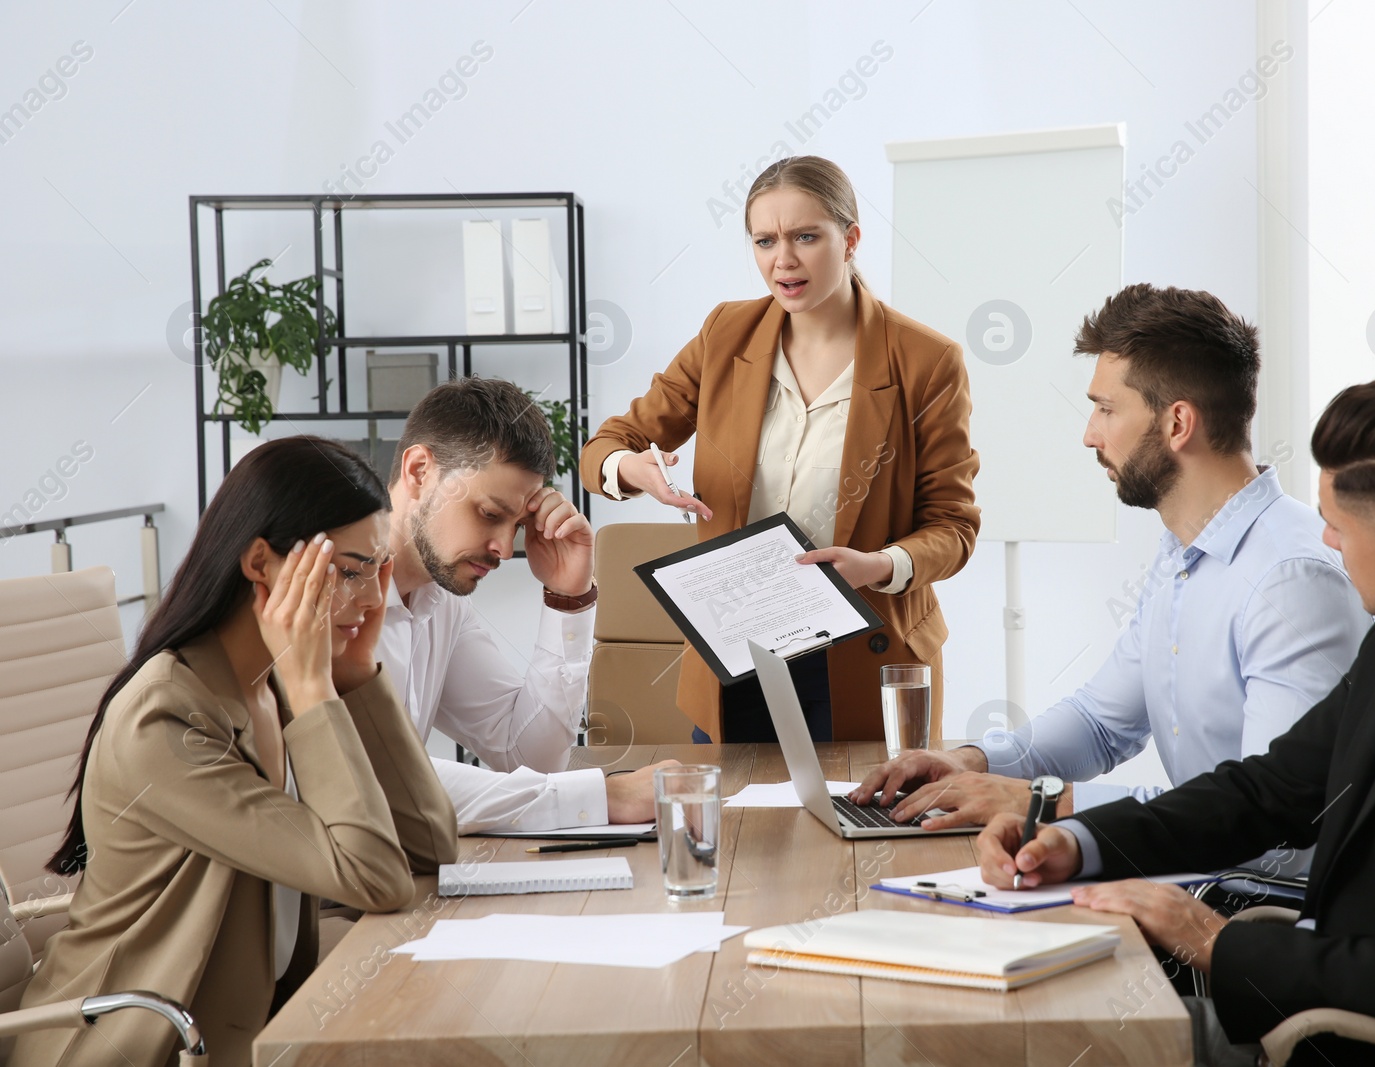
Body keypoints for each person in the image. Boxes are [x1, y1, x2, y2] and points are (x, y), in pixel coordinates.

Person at [978, 374, 1375, 1066]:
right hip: (1320, 1007)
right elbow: (1272, 788)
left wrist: (1215, 940)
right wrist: (1077, 840)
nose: (1325, 541)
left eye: (1337, 523)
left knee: (1040, 1045)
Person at [853, 284, 1369, 848]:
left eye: (1105, 408)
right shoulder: (1184, 551)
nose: (1089, 434)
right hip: (1205, 874)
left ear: (1177, 424)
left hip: (1262, 903)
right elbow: (1101, 723)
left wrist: (1042, 804)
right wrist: (969, 762)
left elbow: (1272, 813)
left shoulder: (1290, 579)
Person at [18, 437, 456, 1067]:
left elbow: (431, 846)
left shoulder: (271, 681)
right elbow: (377, 878)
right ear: (261, 563)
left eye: (378, 573)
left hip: (248, 1025)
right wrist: (314, 689)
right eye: (352, 570)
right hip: (137, 1047)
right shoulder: (166, 717)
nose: (371, 600)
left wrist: (355, 676)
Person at [580, 155, 980, 744]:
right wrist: (631, 468)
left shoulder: (925, 362)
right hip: (736, 654)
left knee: (859, 828)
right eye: (765, 240)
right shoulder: (726, 335)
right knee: (735, 829)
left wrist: (880, 566)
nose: (783, 260)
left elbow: (953, 526)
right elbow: (607, 447)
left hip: (861, 653)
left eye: (805, 237)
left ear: (850, 240)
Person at [376, 376, 672, 833]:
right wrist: (601, 796)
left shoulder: (441, 602)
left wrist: (567, 600)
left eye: (516, 524)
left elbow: (528, 756)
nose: (503, 547)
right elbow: (373, 783)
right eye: (490, 514)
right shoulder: (332, 590)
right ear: (419, 472)